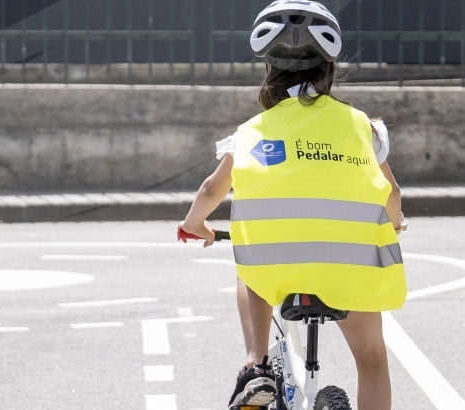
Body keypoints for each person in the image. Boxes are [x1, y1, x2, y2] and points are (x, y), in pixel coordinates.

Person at [177, 1, 408, 409]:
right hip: (350, 266)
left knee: (250, 262)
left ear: (269, 66)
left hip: (277, 267)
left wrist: (195, 223)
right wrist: (394, 222)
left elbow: (212, 189)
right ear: (329, 67)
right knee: (371, 358)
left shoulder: (251, 132)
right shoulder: (362, 127)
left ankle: (255, 366)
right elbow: (391, 194)